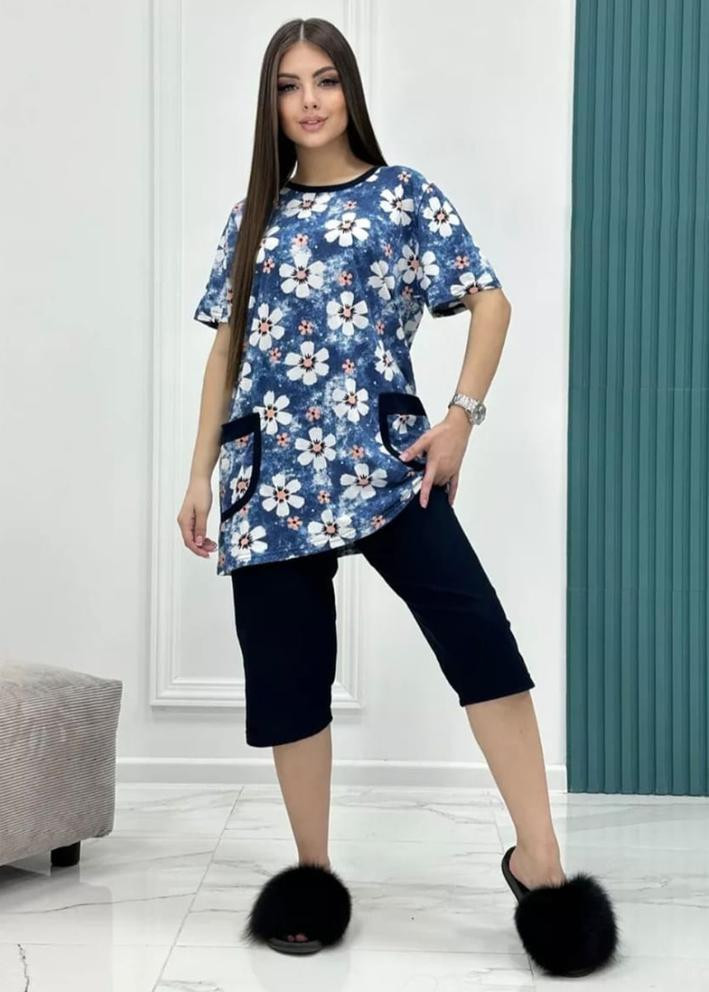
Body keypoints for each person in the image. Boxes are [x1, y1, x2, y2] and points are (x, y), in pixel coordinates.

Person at [177, 16, 619, 975]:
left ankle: (540, 865)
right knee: (289, 674)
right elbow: (226, 349)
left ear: (349, 89)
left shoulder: (401, 196)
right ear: (271, 104)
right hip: (269, 475)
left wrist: (461, 416)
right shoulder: (252, 216)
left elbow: (490, 299)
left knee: (478, 635)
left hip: (385, 464)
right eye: (288, 86)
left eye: (324, 80)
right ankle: (310, 874)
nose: (308, 101)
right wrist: (198, 473)